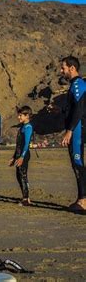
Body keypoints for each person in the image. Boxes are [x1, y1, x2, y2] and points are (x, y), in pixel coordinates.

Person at [60, 56, 86, 211]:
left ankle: (83, 200)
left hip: (77, 130)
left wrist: (69, 131)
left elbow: (79, 110)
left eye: (63, 68)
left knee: (78, 164)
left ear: (72, 68)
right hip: (77, 128)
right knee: (77, 164)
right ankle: (81, 198)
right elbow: (73, 108)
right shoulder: (75, 85)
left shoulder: (77, 85)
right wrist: (60, 110)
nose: (61, 71)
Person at [9, 106, 34, 206]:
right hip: (19, 155)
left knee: (23, 176)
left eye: (20, 116)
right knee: (19, 176)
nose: (18, 117)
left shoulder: (28, 127)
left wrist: (22, 157)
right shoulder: (22, 127)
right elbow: (18, 145)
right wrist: (14, 157)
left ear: (27, 116)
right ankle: (26, 197)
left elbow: (26, 144)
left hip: (24, 154)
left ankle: (25, 199)